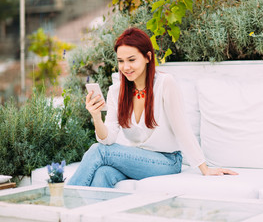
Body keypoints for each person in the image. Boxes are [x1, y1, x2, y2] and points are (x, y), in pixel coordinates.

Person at [68, 28, 237, 188]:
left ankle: (63, 203)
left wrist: (205, 169)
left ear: (148, 57)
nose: (125, 67)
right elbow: (108, 138)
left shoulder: (165, 83)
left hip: (167, 161)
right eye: (121, 61)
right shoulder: (116, 91)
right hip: (136, 158)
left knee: (98, 151)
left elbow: (182, 128)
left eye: (131, 60)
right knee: (102, 174)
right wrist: (96, 117)